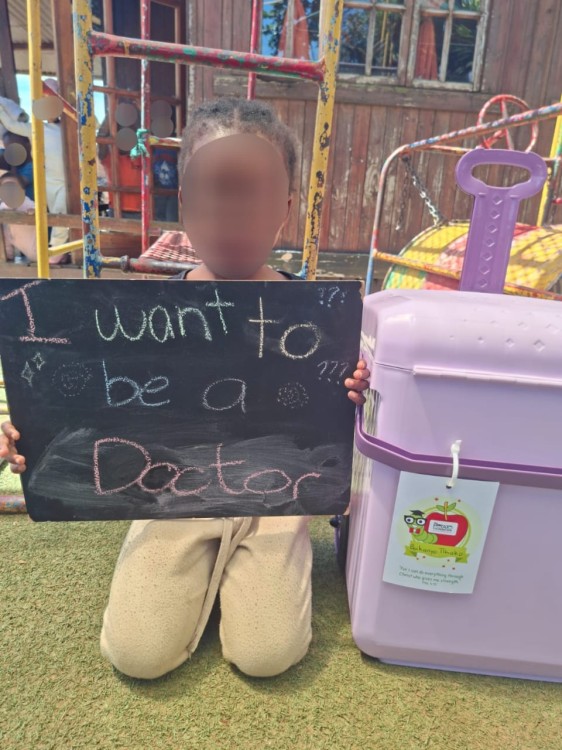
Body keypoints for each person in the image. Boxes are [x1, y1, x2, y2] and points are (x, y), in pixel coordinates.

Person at [0, 99, 370, 680]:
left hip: (277, 497)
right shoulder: (132, 317)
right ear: (185, 203)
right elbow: (79, 404)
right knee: (138, 654)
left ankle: (245, 572)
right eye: (212, 192)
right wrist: (33, 429)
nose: (231, 214)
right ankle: (203, 575)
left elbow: (357, 422)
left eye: (253, 193)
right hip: (166, 491)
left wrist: (359, 394)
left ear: (286, 207)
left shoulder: (322, 320)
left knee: (267, 654)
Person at [0, 95, 69, 265]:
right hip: (48, 181)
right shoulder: (37, 129)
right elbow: (11, 125)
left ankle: (56, 252)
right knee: (53, 216)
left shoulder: (68, 129)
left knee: (61, 213)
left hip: (66, 181)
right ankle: (55, 251)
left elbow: (93, 125)